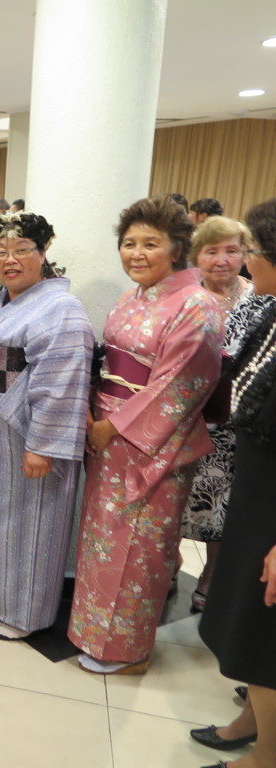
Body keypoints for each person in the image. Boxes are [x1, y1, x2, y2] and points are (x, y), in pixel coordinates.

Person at [68, 196, 223, 675]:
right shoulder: (131, 296)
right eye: (129, 243)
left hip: (151, 439)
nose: (136, 253)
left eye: (150, 244)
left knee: (140, 544)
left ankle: (127, 649)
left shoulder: (198, 305)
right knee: (104, 538)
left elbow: (180, 384)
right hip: (107, 431)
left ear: (177, 248)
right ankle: (94, 631)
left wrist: (112, 426)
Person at [0, 211, 94, 640]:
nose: (10, 259)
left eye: (23, 250)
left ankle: (25, 612)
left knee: (31, 525)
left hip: (28, 436)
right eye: (0, 251)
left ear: (43, 252)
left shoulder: (62, 310)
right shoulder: (3, 299)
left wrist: (42, 445)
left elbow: (60, 384)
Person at [196, 198, 276, 768]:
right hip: (254, 494)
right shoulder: (271, 312)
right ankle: (250, 721)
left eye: (252, 252)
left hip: (274, 510)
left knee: (265, 631)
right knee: (246, 620)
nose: (245, 263)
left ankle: (266, 756)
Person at [181, 216, 256, 612]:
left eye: (232, 250)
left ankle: (211, 575)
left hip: (234, 421)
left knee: (220, 504)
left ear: (245, 254)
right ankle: (170, 563)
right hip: (185, 416)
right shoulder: (184, 296)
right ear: (197, 256)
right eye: (212, 251)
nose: (222, 260)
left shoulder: (259, 297)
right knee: (177, 494)